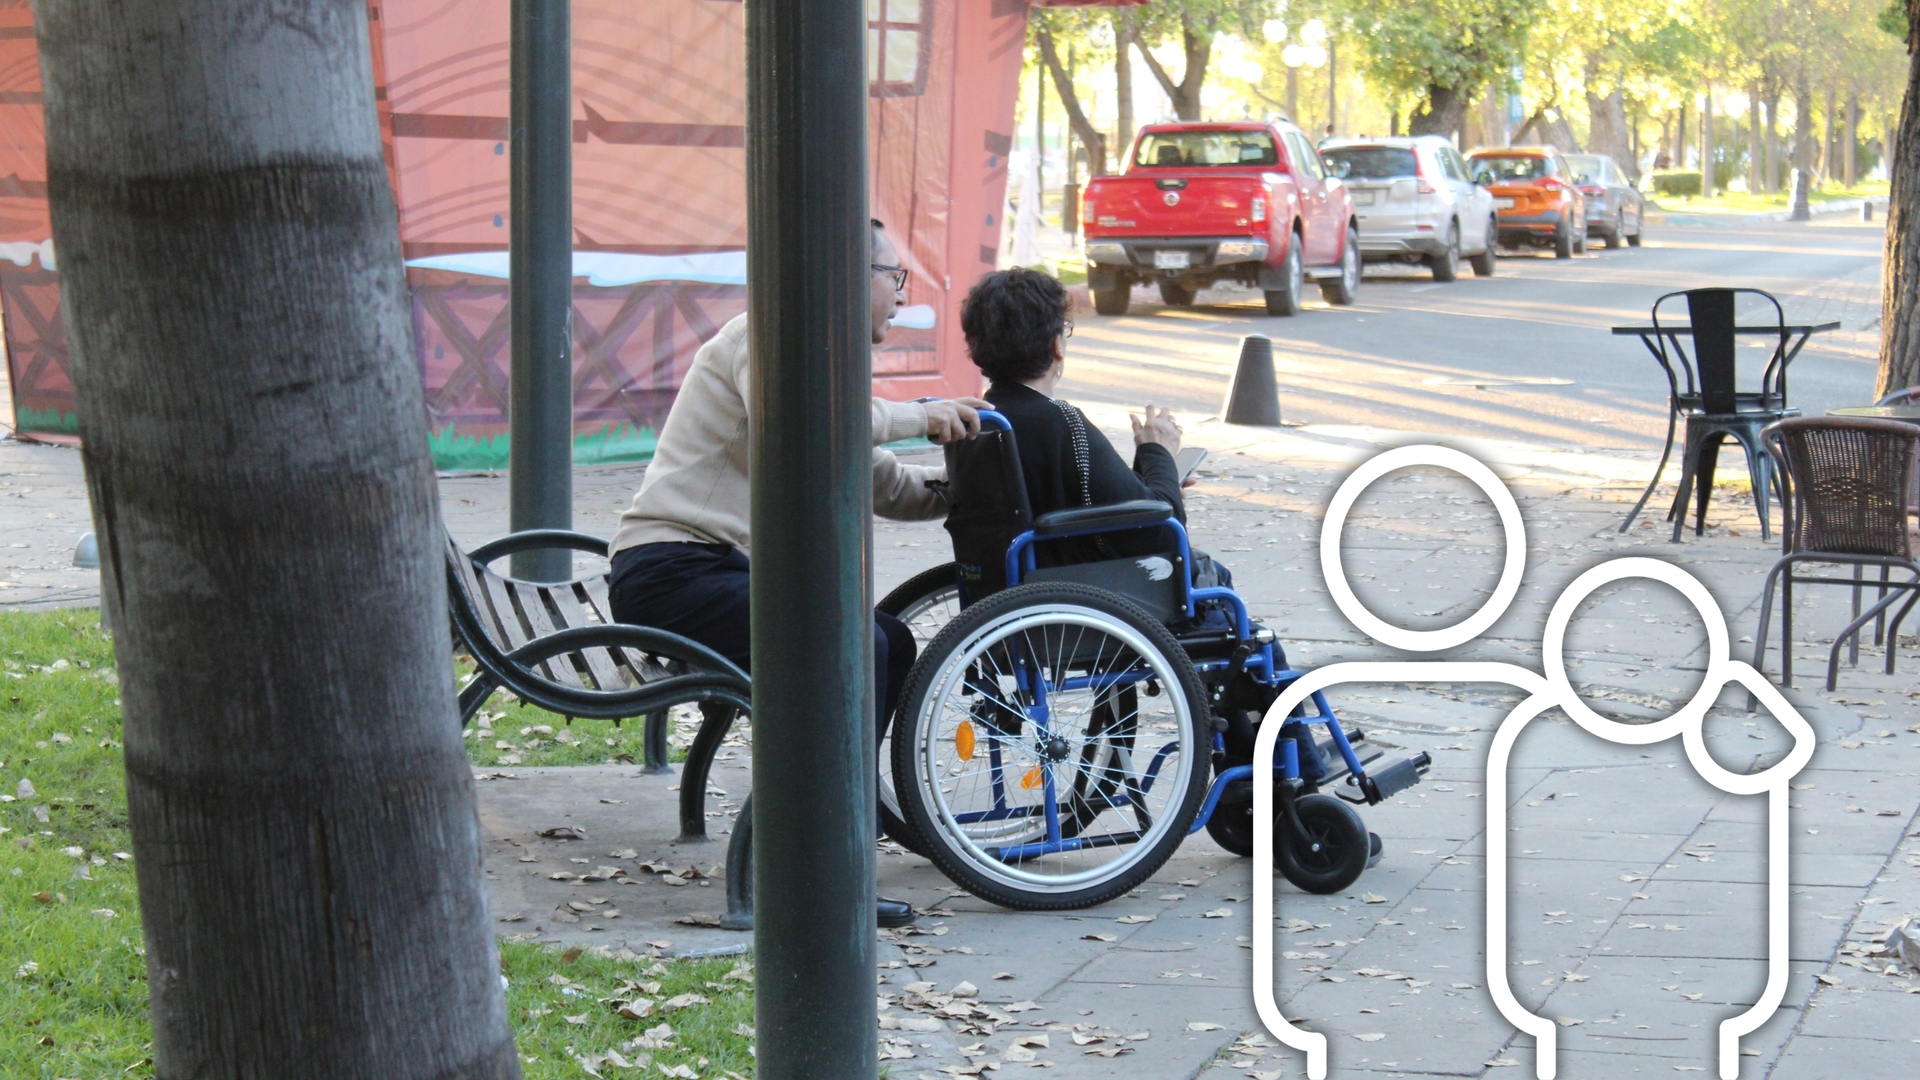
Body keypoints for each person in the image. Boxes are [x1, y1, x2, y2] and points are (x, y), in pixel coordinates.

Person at [607, 219, 986, 927]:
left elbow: (885, 484)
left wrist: (970, 491)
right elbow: (808, 423)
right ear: (849, 277)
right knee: (858, 643)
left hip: (705, 571)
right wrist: (922, 415)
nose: (901, 295)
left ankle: (836, 824)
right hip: (672, 574)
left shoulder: (817, 362)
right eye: (893, 277)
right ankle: (820, 861)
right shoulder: (766, 336)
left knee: (889, 638)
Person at [958, 268, 1186, 567]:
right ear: (1056, 346)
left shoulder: (980, 420)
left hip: (1006, 576)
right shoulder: (1061, 422)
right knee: (1213, 577)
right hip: (1076, 578)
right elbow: (1161, 531)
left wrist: (1161, 478)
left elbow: (1097, 496)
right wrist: (1158, 452)